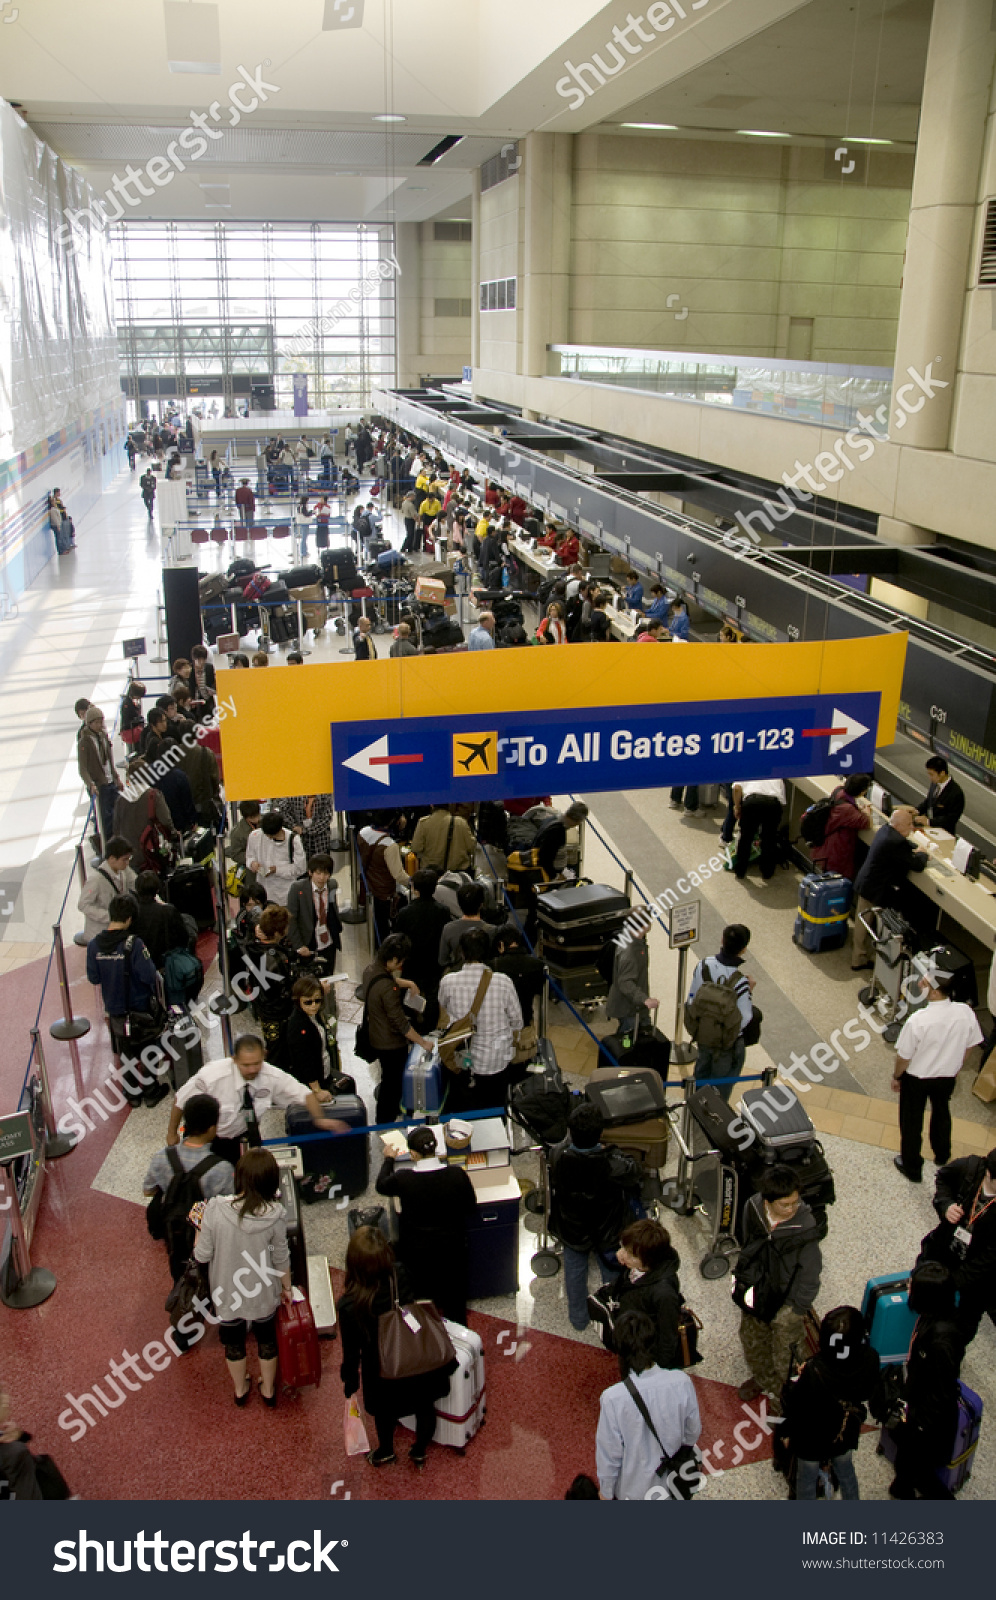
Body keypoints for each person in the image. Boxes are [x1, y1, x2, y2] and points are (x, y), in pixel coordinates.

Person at [338, 1227, 456, 1468]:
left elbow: (351, 1352)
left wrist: (350, 1381)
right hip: (416, 1356)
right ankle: (419, 1450)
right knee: (425, 1406)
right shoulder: (400, 1273)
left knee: (384, 1414)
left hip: (382, 1371)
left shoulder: (350, 1304)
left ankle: (386, 1451)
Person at [193, 1149, 291, 1408]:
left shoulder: (215, 1209)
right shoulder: (275, 1215)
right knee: (267, 1339)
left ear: (239, 1178)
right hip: (263, 1291)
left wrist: (198, 1231)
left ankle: (240, 1388)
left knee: (233, 1342)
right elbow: (281, 1257)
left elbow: (202, 1256)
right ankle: (268, 1390)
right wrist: (287, 1288)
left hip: (227, 1292)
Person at [168, 1033, 347, 1166]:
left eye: (257, 1063)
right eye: (246, 1065)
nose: (253, 1069)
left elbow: (305, 1094)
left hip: (243, 1137)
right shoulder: (213, 1075)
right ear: (235, 1059)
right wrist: (171, 1133)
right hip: (207, 1137)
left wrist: (321, 1119)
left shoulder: (271, 1076)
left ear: (264, 1055)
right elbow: (180, 1100)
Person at [548, 1102, 641, 1331]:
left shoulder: (558, 1155)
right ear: (600, 1133)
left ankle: (578, 1319)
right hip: (608, 1229)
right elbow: (634, 1171)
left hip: (572, 1227)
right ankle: (611, 1316)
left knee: (575, 1272)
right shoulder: (612, 1163)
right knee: (611, 1272)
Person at [735, 1165, 822, 1405]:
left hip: (787, 1303)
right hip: (758, 1292)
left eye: (795, 1202)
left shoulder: (805, 1228)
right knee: (753, 1343)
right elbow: (747, 1242)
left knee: (787, 1357)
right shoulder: (752, 1208)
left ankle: (785, 1402)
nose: (792, 1209)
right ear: (768, 1200)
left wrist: (796, 1310)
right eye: (785, 1204)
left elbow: (810, 1275)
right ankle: (764, 1380)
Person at [375, 1126, 478, 1323]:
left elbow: (381, 1185)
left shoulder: (404, 1178)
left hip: (417, 1255)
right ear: (436, 1148)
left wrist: (389, 1159)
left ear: (413, 1154)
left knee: (419, 1306)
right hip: (452, 1252)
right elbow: (470, 1207)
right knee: (455, 1305)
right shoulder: (456, 1175)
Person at [596, 1310, 702, 1501]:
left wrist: (605, 1492)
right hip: (674, 1485)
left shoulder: (612, 1399)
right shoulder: (681, 1382)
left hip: (633, 1491)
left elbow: (610, 1456)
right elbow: (692, 1432)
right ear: (653, 1341)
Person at [780, 1305, 883, 1501]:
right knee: (846, 1471)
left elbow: (796, 1406)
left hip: (811, 1437)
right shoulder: (871, 1358)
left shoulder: (813, 1369)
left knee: (806, 1478)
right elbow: (868, 1392)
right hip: (844, 1430)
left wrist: (786, 1432)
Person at [892, 963, 983, 1182]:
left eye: (924, 981)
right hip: (947, 1077)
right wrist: (955, 1064)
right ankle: (942, 1155)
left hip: (916, 1078)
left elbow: (904, 1056)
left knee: (912, 1121)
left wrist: (896, 1076)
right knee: (942, 1112)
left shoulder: (917, 1021)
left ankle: (912, 1166)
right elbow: (970, 1046)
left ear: (933, 991)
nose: (920, 983)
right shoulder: (965, 1013)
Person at [888, 1262, 962, 1500]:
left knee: (921, 1469)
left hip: (928, 1421)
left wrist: (918, 1425)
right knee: (907, 1463)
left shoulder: (942, 1342)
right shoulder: (933, 1316)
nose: (907, 1288)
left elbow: (941, 1393)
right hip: (916, 1402)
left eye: (912, 1286)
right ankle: (902, 1487)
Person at [142, 1093, 233, 1282]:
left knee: (180, 1278)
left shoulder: (162, 1156)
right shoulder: (221, 1169)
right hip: (207, 1241)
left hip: (175, 1236)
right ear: (212, 1128)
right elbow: (230, 1210)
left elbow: (148, 1190)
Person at [438, 928, 523, 1112]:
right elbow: (517, 1022)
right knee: (495, 1110)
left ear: (461, 952)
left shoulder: (448, 982)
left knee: (463, 1111)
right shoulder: (503, 982)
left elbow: (442, 1010)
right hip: (496, 1062)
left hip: (460, 1061)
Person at [929, 1146, 996, 1350]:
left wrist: (952, 1284)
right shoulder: (970, 1168)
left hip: (976, 1280)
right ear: (989, 1174)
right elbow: (942, 1177)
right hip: (945, 1250)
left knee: (962, 1326)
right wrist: (946, 1205)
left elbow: (988, 1260)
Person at [360, 932, 431, 1123]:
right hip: (390, 1044)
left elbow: (386, 980)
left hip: (375, 1033)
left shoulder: (370, 969)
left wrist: (407, 983)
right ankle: (385, 1119)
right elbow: (401, 1023)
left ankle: (386, 1114)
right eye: (399, 962)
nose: (401, 966)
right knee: (392, 1083)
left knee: (387, 1080)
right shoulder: (388, 990)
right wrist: (423, 1042)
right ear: (392, 959)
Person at [850, 806, 929, 970]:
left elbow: (902, 847)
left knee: (862, 920)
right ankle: (861, 957)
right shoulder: (896, 842)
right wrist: (922, 853)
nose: (912, 828)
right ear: (899, 826)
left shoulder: (886, 830)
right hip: (876, 888)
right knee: (866, 924)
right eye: (909, 825)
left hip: (867, 881)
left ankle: (860, 955)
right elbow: (916, 865)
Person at [686, 923, 755, 1103]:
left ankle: (695, 1113)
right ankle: (714, 1119)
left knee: (700, 1077)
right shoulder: (740, 982)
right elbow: (745, 1017)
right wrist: (750, 991)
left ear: (722, 940)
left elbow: (691, 1000)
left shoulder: (704, 966)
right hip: (727, 1045)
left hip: (704, 1036)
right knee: (720, 1091)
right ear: (744, 949)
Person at [605, 1220, 684, 1370]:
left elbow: (668, 1337)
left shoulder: (664, 1293)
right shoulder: (640, 1265)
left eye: (631, 1254)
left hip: (646, 1355)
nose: (623, 1256)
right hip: (630, 1338)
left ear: (649, 1260)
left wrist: (659, 1370)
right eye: (624, 1248)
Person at [391, 870, 451, 1026]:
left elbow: (398, 937)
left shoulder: (405, 913)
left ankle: (410, 1023)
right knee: (432, 995)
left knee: (409, 993)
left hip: (412, 962)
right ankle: (430, 1025)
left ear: (414, 889)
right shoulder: (443, 911)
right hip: (434, 962)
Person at [245, 904, 297, 1059]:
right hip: (278, 1013)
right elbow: (285, 991)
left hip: (263, 1006)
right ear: (277, 933)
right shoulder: (276, 960)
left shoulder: (253, 947)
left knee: (272, 1046)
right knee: (279, 1054)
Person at [112, 759, 177, 870]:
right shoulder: (154, 796)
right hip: (151, 855)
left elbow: (116, 829)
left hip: (129, 857)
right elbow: (166, 821)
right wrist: (174, 834)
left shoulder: (120, 800)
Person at [357, 814, 411, 943]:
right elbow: (399, 875)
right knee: (384, 925)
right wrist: (413, 882)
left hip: (369, 883)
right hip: (385, 890)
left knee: (376, 920)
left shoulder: (363, 832)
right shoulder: (389, 845)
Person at [281, 976, 338, 1098]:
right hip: (310, 1085)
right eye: (308, 1002)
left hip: (324, 1073)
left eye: (317, 1000)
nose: (314, 1005)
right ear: (298, 1001)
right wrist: (317, 1090)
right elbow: (304, 1061)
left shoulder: (313, 1015)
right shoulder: (297, 1025)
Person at [606, 912, 659, 1042]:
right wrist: (644, 999)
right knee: (626, 1040)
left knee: (641, 1033)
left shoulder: (636, 940)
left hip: (637, 1007)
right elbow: (625, 982)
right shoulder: (629, 952)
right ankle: (620, 1059)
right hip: (628, 1008)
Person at [811, 773, 872, 881]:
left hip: (828, 845)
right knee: (835, 879)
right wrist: (867, 812)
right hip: (837, 850)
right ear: (862, 791)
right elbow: (867, 823)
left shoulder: (839, 791)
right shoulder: (847, 809)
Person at [76, 836, 136, 945]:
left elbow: (136, 884)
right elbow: (83, 904)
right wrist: (110, 916)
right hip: (99, 934)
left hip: (118, 930)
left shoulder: (124, 870)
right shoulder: (96, 880)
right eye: (124, 859)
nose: (127, 863)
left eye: (129, 859)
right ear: (112, 859)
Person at [286, 852, 342, 966]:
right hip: (308, 943)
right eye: (318, 873)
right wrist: (299, 946)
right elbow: (291, 919)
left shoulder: (332, 885)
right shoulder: (297, 889)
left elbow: (332, 909)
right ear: (310, 872)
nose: (322, 877)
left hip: (329, 941)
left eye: (326, 873)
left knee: (328, 975)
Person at [77, 706, 122, 847]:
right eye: (95, 722)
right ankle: (106, 845)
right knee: (104, 818)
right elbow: (82, 768)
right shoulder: (84, 741)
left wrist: (116, 777)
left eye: (100, 722)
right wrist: (90, 783)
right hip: (99, 784)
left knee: (117, 812)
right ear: (89, 723)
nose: (98, 725)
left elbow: (109, 759)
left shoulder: (103, 736)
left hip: (110, 781)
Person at [491, 922, 546, 1037]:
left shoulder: (495, 965)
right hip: (525, 1018)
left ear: (501, 945)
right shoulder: (537, 965)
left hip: (500, 1023)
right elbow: (539, 990)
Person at [245, 809, 307, 908]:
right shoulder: (255, 836)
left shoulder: (293, 840)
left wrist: (276, 870)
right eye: (266, 835)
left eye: (272, 835)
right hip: (262, 892)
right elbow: (249, 856)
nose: (269, 838)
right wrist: (252, 864)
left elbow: (300, 869)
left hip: (284, 893)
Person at [130, 869, 189, 968]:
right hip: (166, 962)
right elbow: (183, 937)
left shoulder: (131, 913)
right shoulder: (168, 910)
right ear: (157, 890)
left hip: (141, 963)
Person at [732, 777, 785, 883]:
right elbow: (782, 802)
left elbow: (737, 788)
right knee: (769, 839)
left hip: (752, 802)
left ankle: (741, 871)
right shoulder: (777, 777)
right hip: (773, 804)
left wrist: (737, 807)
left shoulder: (749, 771)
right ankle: (767, 872)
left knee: (746, 837)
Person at [437, 880, 492, 969]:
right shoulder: (491, 930)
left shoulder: (449, 928)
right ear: (481, 904)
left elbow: (442, 961)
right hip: (485, 977)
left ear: (459, 903)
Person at [411, 803, 476, 874]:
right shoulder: (461, 823)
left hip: (432, 875)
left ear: (432, 805)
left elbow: (416, 848)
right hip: (457, 874)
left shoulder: (423, 823)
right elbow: (472, 847)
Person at [531, 800, 588, 878]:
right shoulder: (557, 832)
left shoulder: (554, 818)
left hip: (556, 869)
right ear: (578, 821)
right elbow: (544, 858)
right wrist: (556, 876)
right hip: (550, 873)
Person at [915, 756, 966, 835]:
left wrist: (929, 821)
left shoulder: (956, 793)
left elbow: (951, 819)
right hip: (929, 829)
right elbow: (929, 801)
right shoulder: (935, 783)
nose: (930, 778)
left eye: (931, 774)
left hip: (943, 834)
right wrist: (917, 811)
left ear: (942, 773)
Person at [226, 799, 261, 893]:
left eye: (258, 814)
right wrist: (252, 859)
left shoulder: (265, 823)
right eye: (253, 817)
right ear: (246, 817)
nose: (257, 818)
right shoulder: (237, 833)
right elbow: (235, 854)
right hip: (251, 871)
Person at [119, 680, 146, 748]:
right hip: (130, 732)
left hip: (134, 730)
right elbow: (127, 719)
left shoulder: (131, 702)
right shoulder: (127, 704)